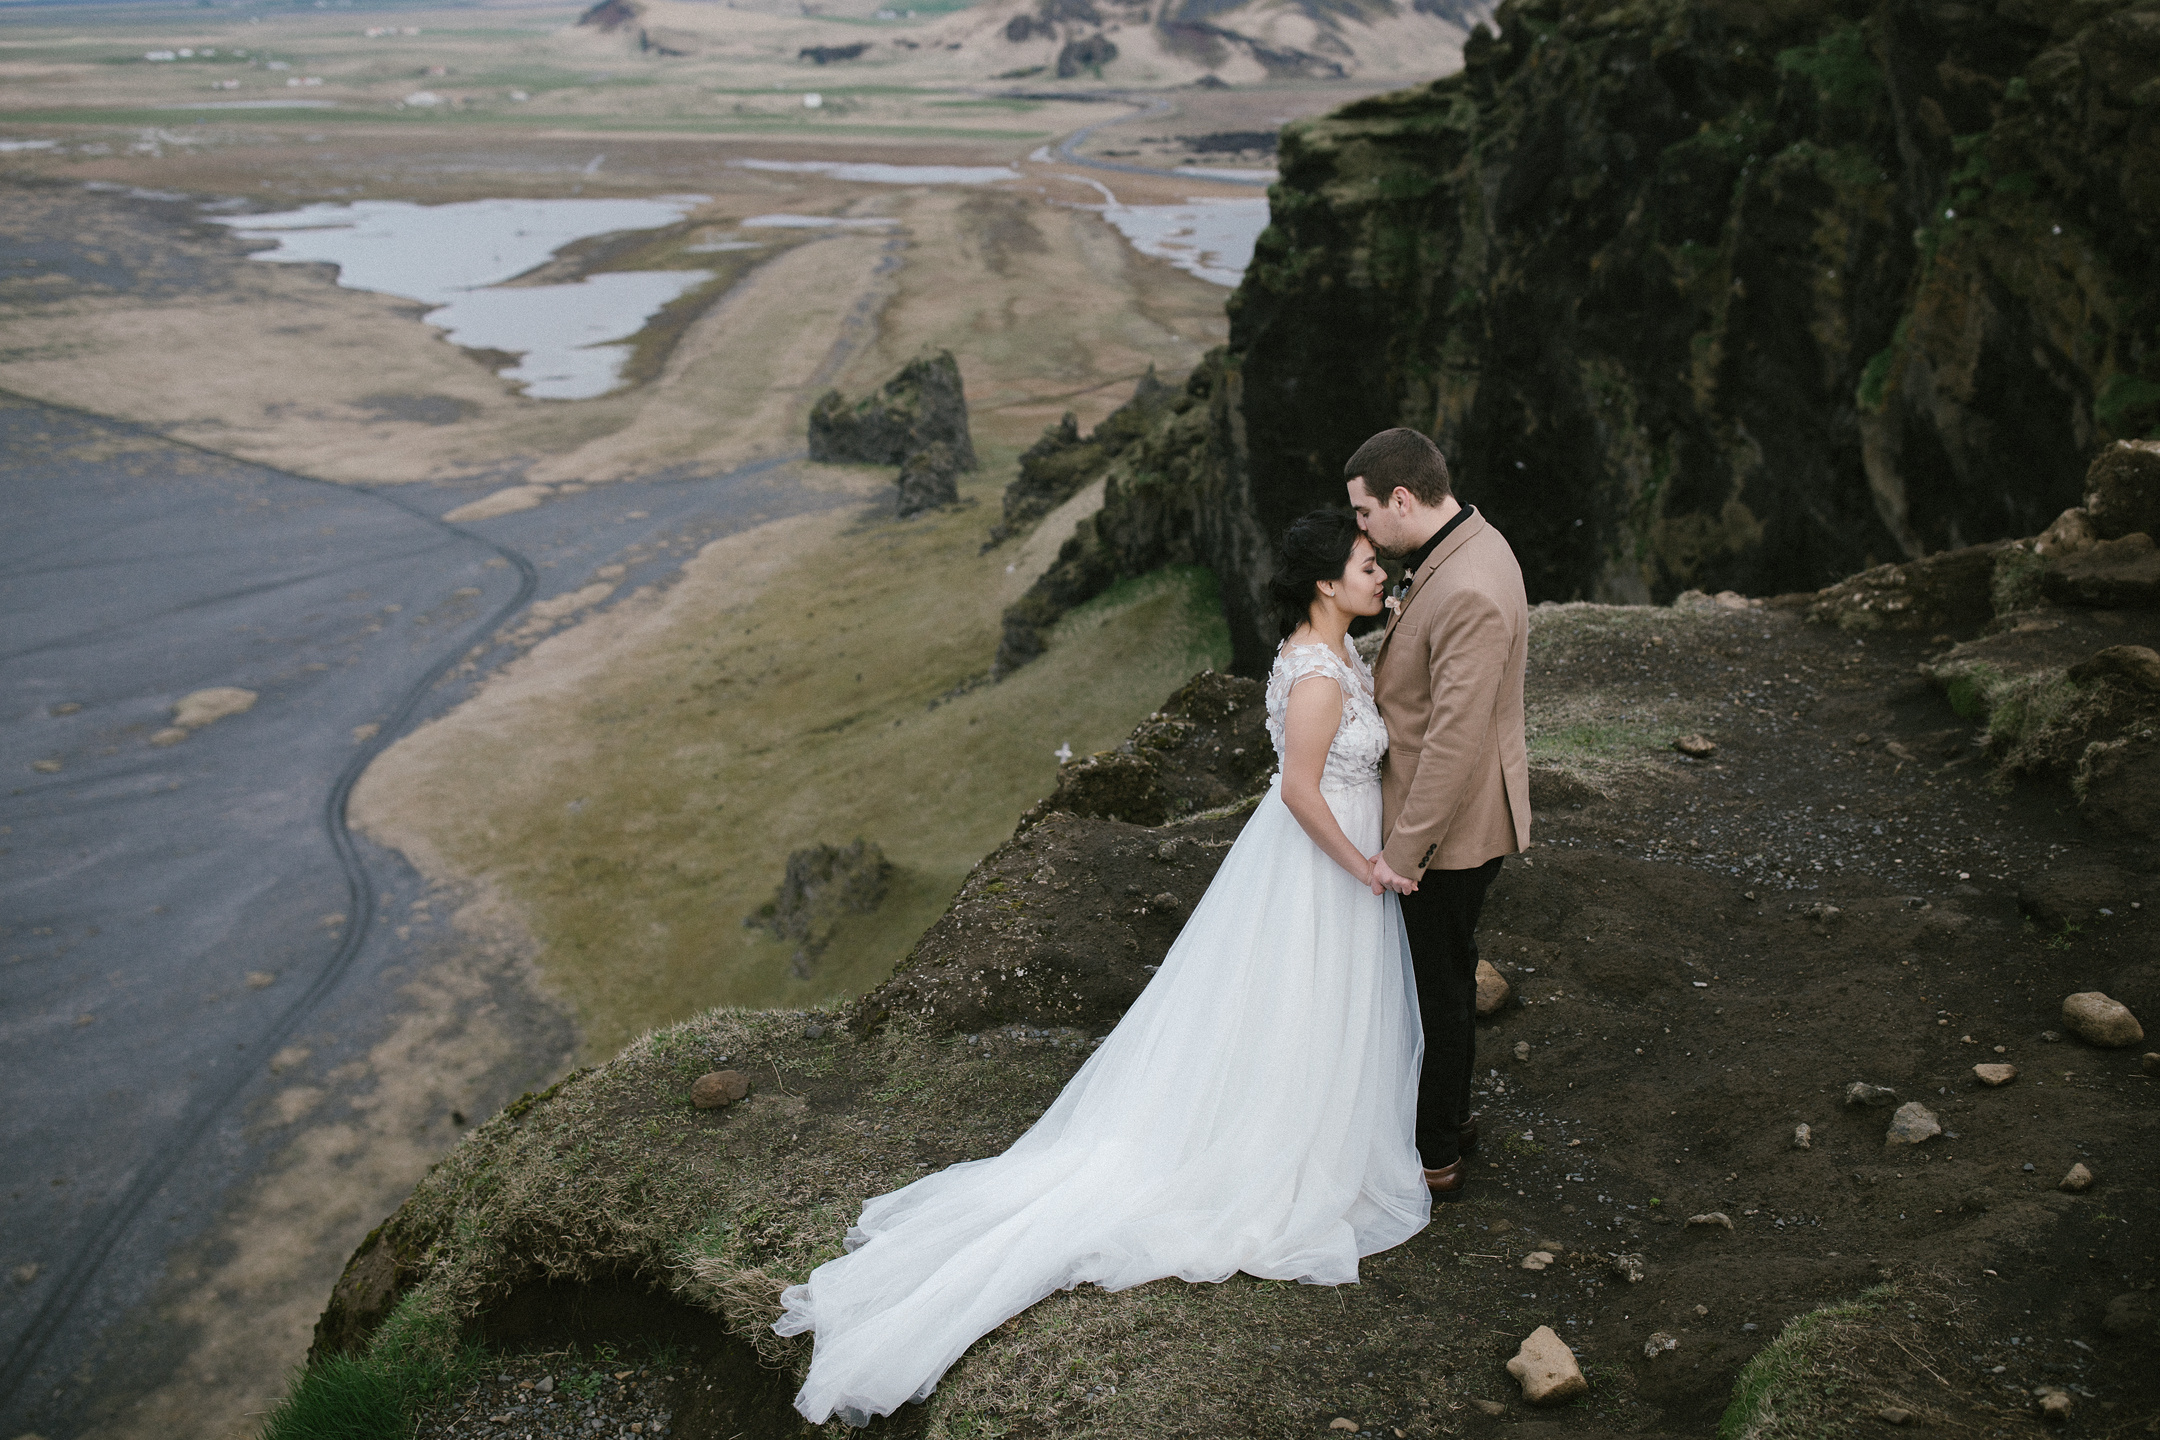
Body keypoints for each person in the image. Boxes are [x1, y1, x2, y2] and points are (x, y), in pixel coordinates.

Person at [773, 509, 1430, 1426]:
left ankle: (1310, 1130)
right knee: (1300, 1000)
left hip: (1298, 860)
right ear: (1327, 582)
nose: (1379, 577)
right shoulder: (1320, 674)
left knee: (1295, 1008)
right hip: (1319, 861)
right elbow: (1298, 789)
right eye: (1366, 566)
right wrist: (1362, 864)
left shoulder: (1330, 653)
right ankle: (1284, 1152)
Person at [1344, 427, 1531, 1196]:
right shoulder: (1463, 548)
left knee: (1437, 989)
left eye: (1362, 514)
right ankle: (1450, 1122)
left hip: (1453, 828)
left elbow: (1454, 743)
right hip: (1447, 812)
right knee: (1445, 975)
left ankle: (1435, 1154)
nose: (1360, 530)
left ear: (1399, 498)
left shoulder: (1469, 587)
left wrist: (1404, 853)